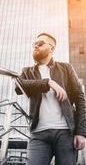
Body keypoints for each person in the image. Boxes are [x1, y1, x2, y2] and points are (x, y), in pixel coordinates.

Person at [15, 32, 86, 165]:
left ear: (52, 48)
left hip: (66, 133)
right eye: (34, 44)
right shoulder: (27, 71)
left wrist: (81, 132)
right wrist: (47, 82)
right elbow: (19, 86)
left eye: (40, 44)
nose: (36, 46)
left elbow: (80, 98)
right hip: (38, 134)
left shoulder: (66, 68)